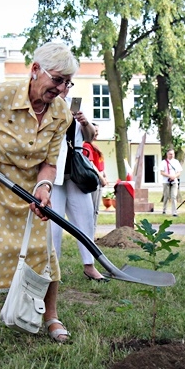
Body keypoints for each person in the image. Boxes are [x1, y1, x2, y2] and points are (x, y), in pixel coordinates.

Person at [0, 41, 76, 351]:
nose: (61, 89)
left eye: (67, 82)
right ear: (35, 70)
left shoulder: (61, 113)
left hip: (29, 187)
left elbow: (50, 163)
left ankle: (50, 315)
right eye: (57, 79)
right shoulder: (1, 95)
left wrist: (43, 189)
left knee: (43, 248)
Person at [49, 88, 108, 281]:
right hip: (54, 171)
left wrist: (84, 122)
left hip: (76, 171)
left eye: (68, 83)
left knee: (86, 219)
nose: (65, 87)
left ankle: (89, 265)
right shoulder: (47, 103)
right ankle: (53, 268)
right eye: (62, 82)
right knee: (53, 225)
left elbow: (89, 137)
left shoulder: (75, 104)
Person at [82, 123, 108, 227]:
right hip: (95, 179)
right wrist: (101, 178)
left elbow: (99, 163)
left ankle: (92, 233)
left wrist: (105, 175)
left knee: (96, 209)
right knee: (92, 209)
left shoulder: (94, 146)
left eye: (97, 131)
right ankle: (89, 235)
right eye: (95, 131)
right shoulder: (86, 146)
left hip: (100, 178)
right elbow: (90, 164)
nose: (97, 133)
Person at [160, 148, 182, 216]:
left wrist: (174, 176)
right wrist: (169, 176)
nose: (171, 155)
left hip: (174, 182)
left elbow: (179, 172)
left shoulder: (176, 162)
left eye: (172, 154)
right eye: (170, 154)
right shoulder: (163, 162)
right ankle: (164, 210)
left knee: (173, 196)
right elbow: (162, 172)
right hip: (166, 181)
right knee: (166, 196)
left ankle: (174, 212)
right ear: (167, 154)